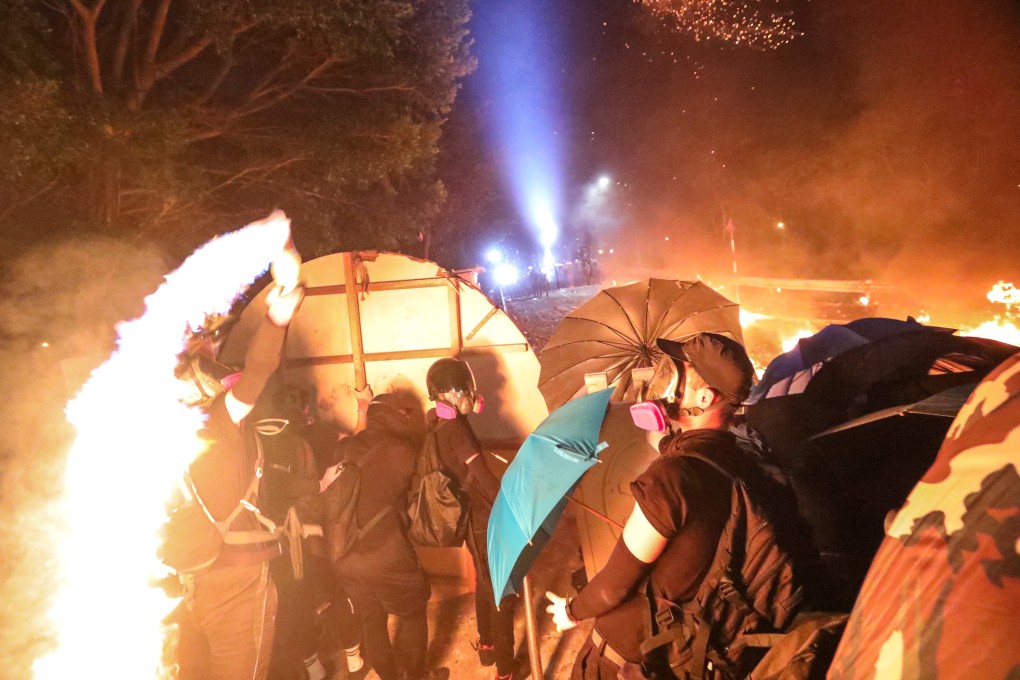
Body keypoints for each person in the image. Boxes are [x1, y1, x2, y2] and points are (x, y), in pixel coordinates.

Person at [545, 333, 809, 679]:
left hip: (628, 660)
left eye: (678, 377)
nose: (668, 385)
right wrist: (669, 444)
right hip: (686, 655)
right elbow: (703, 469)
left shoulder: (671, 478)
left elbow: (613, 586)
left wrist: (572, 611)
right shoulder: (743, 460)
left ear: (704, 396)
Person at [175, 246, 306, 680]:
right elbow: (258, 370)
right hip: (233, 581)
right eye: (207, 344)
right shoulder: (216, 418)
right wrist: (277, 318)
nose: (215, 349)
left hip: (189, 580)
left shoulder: (153, 435)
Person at [331, 391, 446, 680]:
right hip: (387, 553)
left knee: (371, 622)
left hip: (344, 554)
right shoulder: (403, 451)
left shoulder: (346, 447)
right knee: (412, 615)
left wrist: (361, 408)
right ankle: (417, 677)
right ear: (394, 417)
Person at [258, 383, 366, 680]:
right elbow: (353, 443)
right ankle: (354, 660)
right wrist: (321, 482)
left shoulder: (260, 443)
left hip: (274, 541)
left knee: (295, 605)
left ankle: (314, 669)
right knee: (332, 595)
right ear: (304, 408)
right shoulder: (312, 437)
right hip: (311, 535)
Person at [424, 358, 516, 680]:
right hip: (481, 516)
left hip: (467, 517)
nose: (470, 395)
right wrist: (511, 507)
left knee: (484, 578)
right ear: (448, 395)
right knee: (501, 586)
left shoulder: (435, 424)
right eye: (464, 390)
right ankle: (506, 669)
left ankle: (487, 644)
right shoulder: (458, 429)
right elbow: (483, 477)